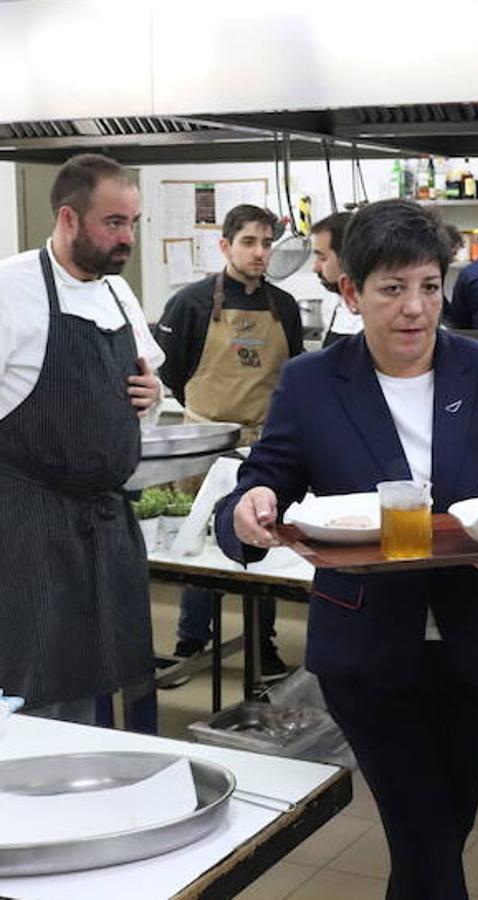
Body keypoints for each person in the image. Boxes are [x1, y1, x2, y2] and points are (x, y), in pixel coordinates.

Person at [215, 199, 478, 900]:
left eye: (429, 287)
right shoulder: (313, 383)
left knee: (440, 834)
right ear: (350, 292)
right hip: (367, 650)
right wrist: (245, 509)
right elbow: (264, 478)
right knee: (427, 838)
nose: (414, 309)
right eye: (392, 289)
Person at [0, 153, 164, 723]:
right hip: (30, 530)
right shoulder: (10, 289)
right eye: (113, 223)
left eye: (134, 223)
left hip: (105, 526)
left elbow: (147, 378)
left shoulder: (119, 295)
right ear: (68, 219)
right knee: (40, 689)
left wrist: (154, 393)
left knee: (109, 676)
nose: (128, 239)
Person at [155, 203, 305, 679]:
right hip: (205, 441)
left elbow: (295, 375)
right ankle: (191, 638)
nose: (259, 253)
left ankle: (263, 643)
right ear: (225, 246)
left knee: (258, 544)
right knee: (196, 542)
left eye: (266, 243)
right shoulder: (191, 303)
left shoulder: (284, 306)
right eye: (249, 242)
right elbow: (172, 373)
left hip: (264, 445)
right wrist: (209, 416)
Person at [313, 211, 362, 348]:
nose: (315, 268)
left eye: (322, 258)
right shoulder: (331, 303)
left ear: (346, 258)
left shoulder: (379, 314)